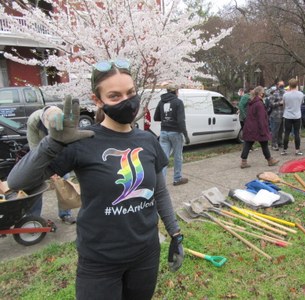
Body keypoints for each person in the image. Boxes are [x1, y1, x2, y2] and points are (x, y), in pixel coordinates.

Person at [8, 59, 184, 299]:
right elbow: (18, 182)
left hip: (145, 255)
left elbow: (160, 192)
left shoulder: (148, 140)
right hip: (100, 262)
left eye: (130, 93)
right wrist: (54, 142)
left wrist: (175, 233)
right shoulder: (83, 141)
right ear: (97, 100)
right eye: (115, 96)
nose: (127, 101)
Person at [26, 106, 76, 225]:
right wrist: (44, 166)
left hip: (58, 151)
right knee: (35, 184)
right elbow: (34, 148)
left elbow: (66, 145)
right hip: (40, 151)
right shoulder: (34, 120)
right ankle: (33, 217)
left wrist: (59, 168)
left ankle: (65, 214)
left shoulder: (64, 120)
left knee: (64, 180)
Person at [154, 82, 190, 186]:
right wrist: (186, 136)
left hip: (164, 132)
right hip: (175, 132)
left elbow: (156, 118)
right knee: (177, 156)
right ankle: (177, 179)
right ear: (175, 91)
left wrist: (166, 118)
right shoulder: (178, 102)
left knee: (164, 158)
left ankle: (161, 183)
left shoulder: (161, 102)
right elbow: (181, 121)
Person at [240, 86, 279, 168]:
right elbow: (261, 118)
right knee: (264, 143)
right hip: (257, 127)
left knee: (248, 143)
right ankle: (270, 160)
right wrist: (263, 130)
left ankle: (244, 162)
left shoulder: (252, 102)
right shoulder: (259, 104)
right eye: (263, 92)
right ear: (261, 93)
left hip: (250, 126)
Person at [281, 79, 304, 156]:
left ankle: (284, 150)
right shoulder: (301, 94)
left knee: (287, 132)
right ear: (296, 85)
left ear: (289, 85)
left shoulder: (285, 95)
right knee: (297, 133)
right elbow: (301, 104)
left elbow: (284, 105)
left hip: (287, 115)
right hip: (297, 115)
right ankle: (297, 150)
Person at [269, 81, 285, 151]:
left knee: (281, 130)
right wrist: (279, 103)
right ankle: (273, 144)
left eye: (283, 85)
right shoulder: (274, 94)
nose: (282, 86)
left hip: (283, 114)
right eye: (280, 85)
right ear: (277, 85)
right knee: (275, 130)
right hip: (276, 115)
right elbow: (271, 104)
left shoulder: (285, 93)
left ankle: (280, 142)